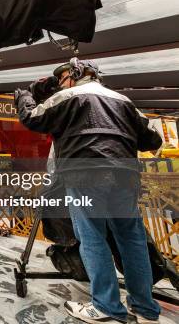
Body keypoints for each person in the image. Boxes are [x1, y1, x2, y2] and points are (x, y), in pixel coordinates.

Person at [15, 58, 163, 324]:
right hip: (125, 176)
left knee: (93, 236)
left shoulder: (68, 96)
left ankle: (107, 306)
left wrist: (24, 95)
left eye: (61, 79)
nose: (59, 85)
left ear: (75, 75)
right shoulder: (124, 102)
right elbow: (153, 139)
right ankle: (145, 309)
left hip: (85, 175)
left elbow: (32, 117)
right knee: (132, 240)